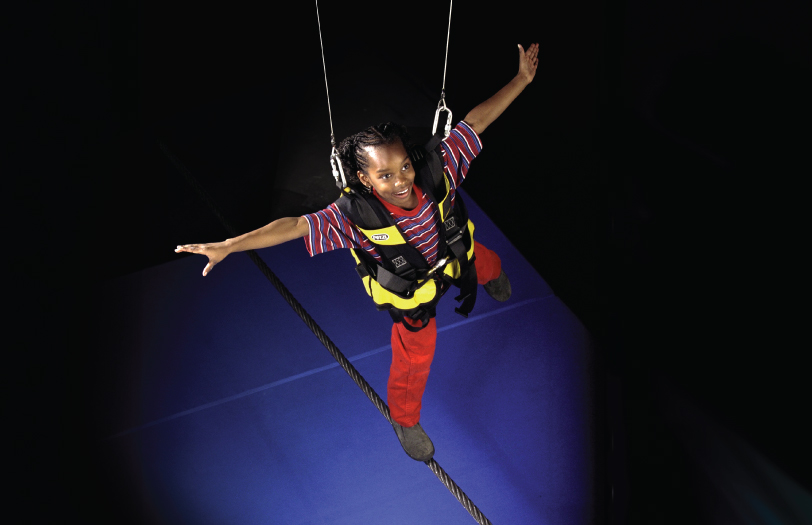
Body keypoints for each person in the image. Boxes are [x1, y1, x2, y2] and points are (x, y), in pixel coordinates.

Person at [176, 43, 539, 462]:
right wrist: (230, 245)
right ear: (364, 179)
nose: (401, 181)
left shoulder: (439, 167)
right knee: (414, 361)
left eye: (403, 166)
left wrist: (522, 79)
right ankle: (404, 418)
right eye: (385, 175)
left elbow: (476, 121)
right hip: (412, 295)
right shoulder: (352, 217)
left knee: (483, 263)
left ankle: (491, 277)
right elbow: (294, 226)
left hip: (456, 255)